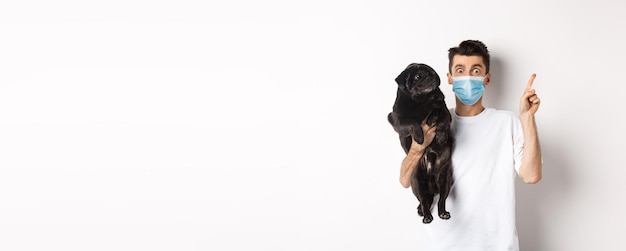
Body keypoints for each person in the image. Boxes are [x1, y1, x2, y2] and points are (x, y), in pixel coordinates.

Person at [398, 40, 542, 250]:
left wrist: (527, 118)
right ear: (449, 78)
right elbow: (404, 180)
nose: (467, 77)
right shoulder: (431, 122)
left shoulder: (506, 123)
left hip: (497, 245)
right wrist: (419, 147)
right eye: (460, 70)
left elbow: (531, 175)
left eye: (476, 70)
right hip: (442, 244)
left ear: (487, 78)